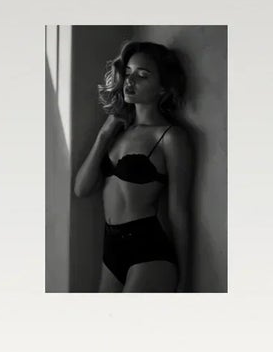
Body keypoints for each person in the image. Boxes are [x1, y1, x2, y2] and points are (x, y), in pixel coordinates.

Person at [72, 41, 191, 293]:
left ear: (163, 88)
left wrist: (185, 277)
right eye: (128, 73)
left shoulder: (170, 137)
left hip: (148, 251)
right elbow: (82, 189)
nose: (130, 80)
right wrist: (103, 135)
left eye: (142, 75)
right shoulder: (117, 132)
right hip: (110, 249)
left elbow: (178, 209)